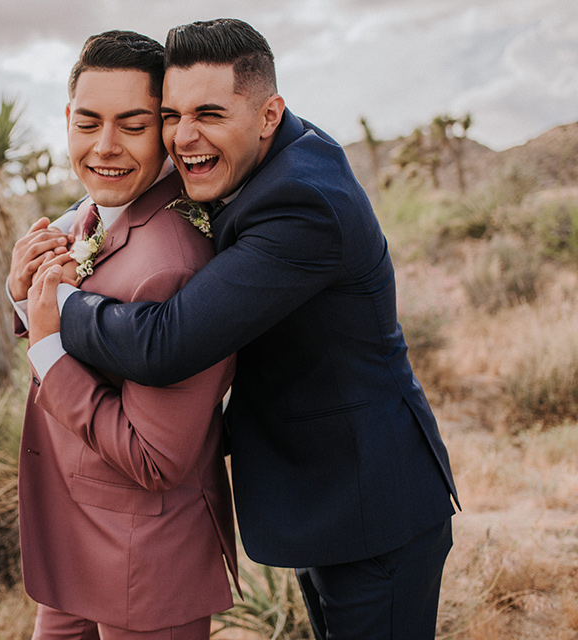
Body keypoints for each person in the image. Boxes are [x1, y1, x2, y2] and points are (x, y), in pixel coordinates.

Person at [29, 18, 459, 640]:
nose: (185, 137)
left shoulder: (304, 205)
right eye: (171, 116)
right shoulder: (261, 160)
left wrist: (51, 312)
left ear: (268, 113)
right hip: (315, 486)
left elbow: (165, 343)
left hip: (370, 496)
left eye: (209, 112)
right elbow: (119, 202)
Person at [10, 30, 237, 640]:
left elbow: (154, 458)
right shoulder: (93, 215)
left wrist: (47, 349)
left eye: (131, 126)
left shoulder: (177, 262)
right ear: (66, 118)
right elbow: (66, 316)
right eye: (88, 123)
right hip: (76, 540)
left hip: (146, 560)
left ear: (164, 130)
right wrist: (23, 292)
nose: (104, 148)